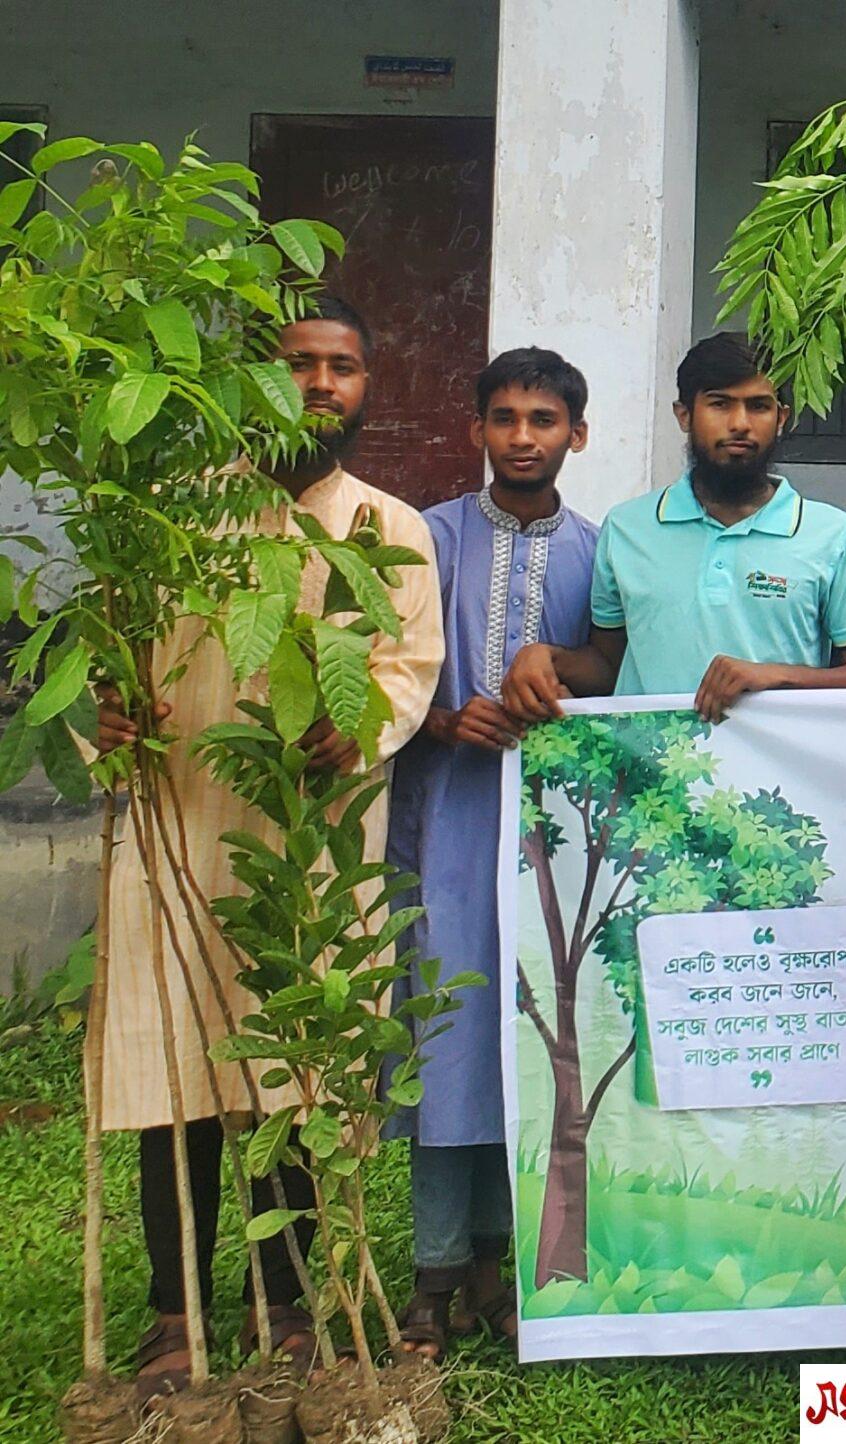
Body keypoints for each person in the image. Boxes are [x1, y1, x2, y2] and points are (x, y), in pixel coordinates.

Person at [93, 297, 444, 1392]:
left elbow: (409, 669)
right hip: (182, 829)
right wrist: (109, 711)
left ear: (367, 387)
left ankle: (282, 1304)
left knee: (296, 1073)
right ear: (256, 379)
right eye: (298, 363)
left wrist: (361, 719)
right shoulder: (173, 522)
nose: (321, 384)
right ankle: (173, 1313)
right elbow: (113, 661)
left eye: (343, 366)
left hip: (313, 844)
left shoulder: (389, 529)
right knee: (175, 1066)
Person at [387, 347, 601, 1360]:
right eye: (505, 418)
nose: (523, 437)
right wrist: (440, 719)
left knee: (530, 1032)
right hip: (445, 821)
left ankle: (500, 1265)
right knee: (447, 1033)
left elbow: (613, 673)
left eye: (543, 420)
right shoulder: (424, 539)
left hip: (552, 834)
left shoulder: (599, 554)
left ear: (576, 435)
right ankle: (432, 1277)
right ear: (476, 428)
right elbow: (381, 669)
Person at [500, 333, 846, 724]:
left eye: (759, 406)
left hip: (776, 763)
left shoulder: (832, 534)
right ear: (684, 415)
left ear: (781, 419)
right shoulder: (626, 527)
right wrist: (546, 658)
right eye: (720, 404)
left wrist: (777, 676)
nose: (740, 424)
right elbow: (609, 665)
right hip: (652, 763)